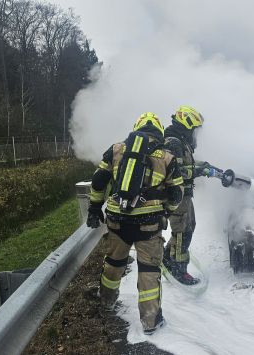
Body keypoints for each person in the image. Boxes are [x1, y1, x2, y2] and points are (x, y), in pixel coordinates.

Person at [86, 112, 184, 335]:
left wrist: (94, 207)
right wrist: (165, 212)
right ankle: (150, 322)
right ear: (158, 132)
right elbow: (177, 194)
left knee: (114, 262)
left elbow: (99, 180)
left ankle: (107, 302)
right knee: (149, 270)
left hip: (117, 220)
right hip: (148, 225)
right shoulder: (167, 157)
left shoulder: (116, 149)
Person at [161, 105, 220, 285]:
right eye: (194, 128)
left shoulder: (180, 140)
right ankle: (179, 269)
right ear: (186, 124)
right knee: (182, 233)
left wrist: (207, 166)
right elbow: (176, 171)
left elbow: (188, 164)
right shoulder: (173, 142)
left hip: (184, 194)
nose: (196, 133)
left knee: (189, 227)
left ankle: (167, 258)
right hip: (176, 195)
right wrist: (201, 170)